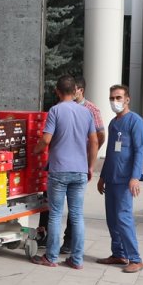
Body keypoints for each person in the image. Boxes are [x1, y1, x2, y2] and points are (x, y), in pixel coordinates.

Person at [30, 75, 99, 268]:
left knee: (55, 214)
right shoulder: (86, 112)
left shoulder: (55, 110)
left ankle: (51, 257)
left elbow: (46, 140)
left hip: (59, 170)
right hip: (80, 170)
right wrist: (90, 167)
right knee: (77, 215)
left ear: (58, 92)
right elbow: (94, 141)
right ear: (75, 90)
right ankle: (77, 259)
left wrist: (34, 151)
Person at [96, 85, 143, 274]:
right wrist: (102, 176)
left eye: (118, 97)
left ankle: (135, 258)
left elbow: (140, 151)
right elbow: (110, 152)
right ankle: (118, 253)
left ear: (127, 99)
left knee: (123, 218)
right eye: (112, 98)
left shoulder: (136, 122)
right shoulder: (113, 123)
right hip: (111, 178)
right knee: (112, 219)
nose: (114, 101)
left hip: (126, 180)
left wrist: (135, 177)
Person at [60, 75, 106, 254]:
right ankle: (46, 236)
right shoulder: (61, 108)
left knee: (74, 207)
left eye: (76, 89)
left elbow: (100, 136)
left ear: (81, 90)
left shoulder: (90, 109)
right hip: (62, 161)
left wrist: (90, 158)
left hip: (79, 163)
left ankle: (69, 242)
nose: (73, 92)